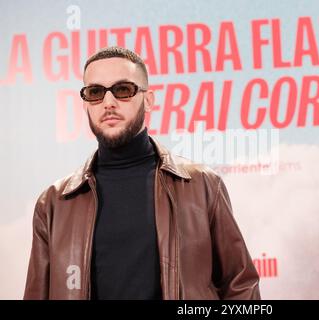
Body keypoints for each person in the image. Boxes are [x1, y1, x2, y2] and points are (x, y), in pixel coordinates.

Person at [23, 46, 260, 300]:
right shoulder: (54, 203)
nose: (109, 102)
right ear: (85, 104)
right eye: (95, 92)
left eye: (123, 90)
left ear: (148, 100)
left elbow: (241, 286)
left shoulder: (202, 186)